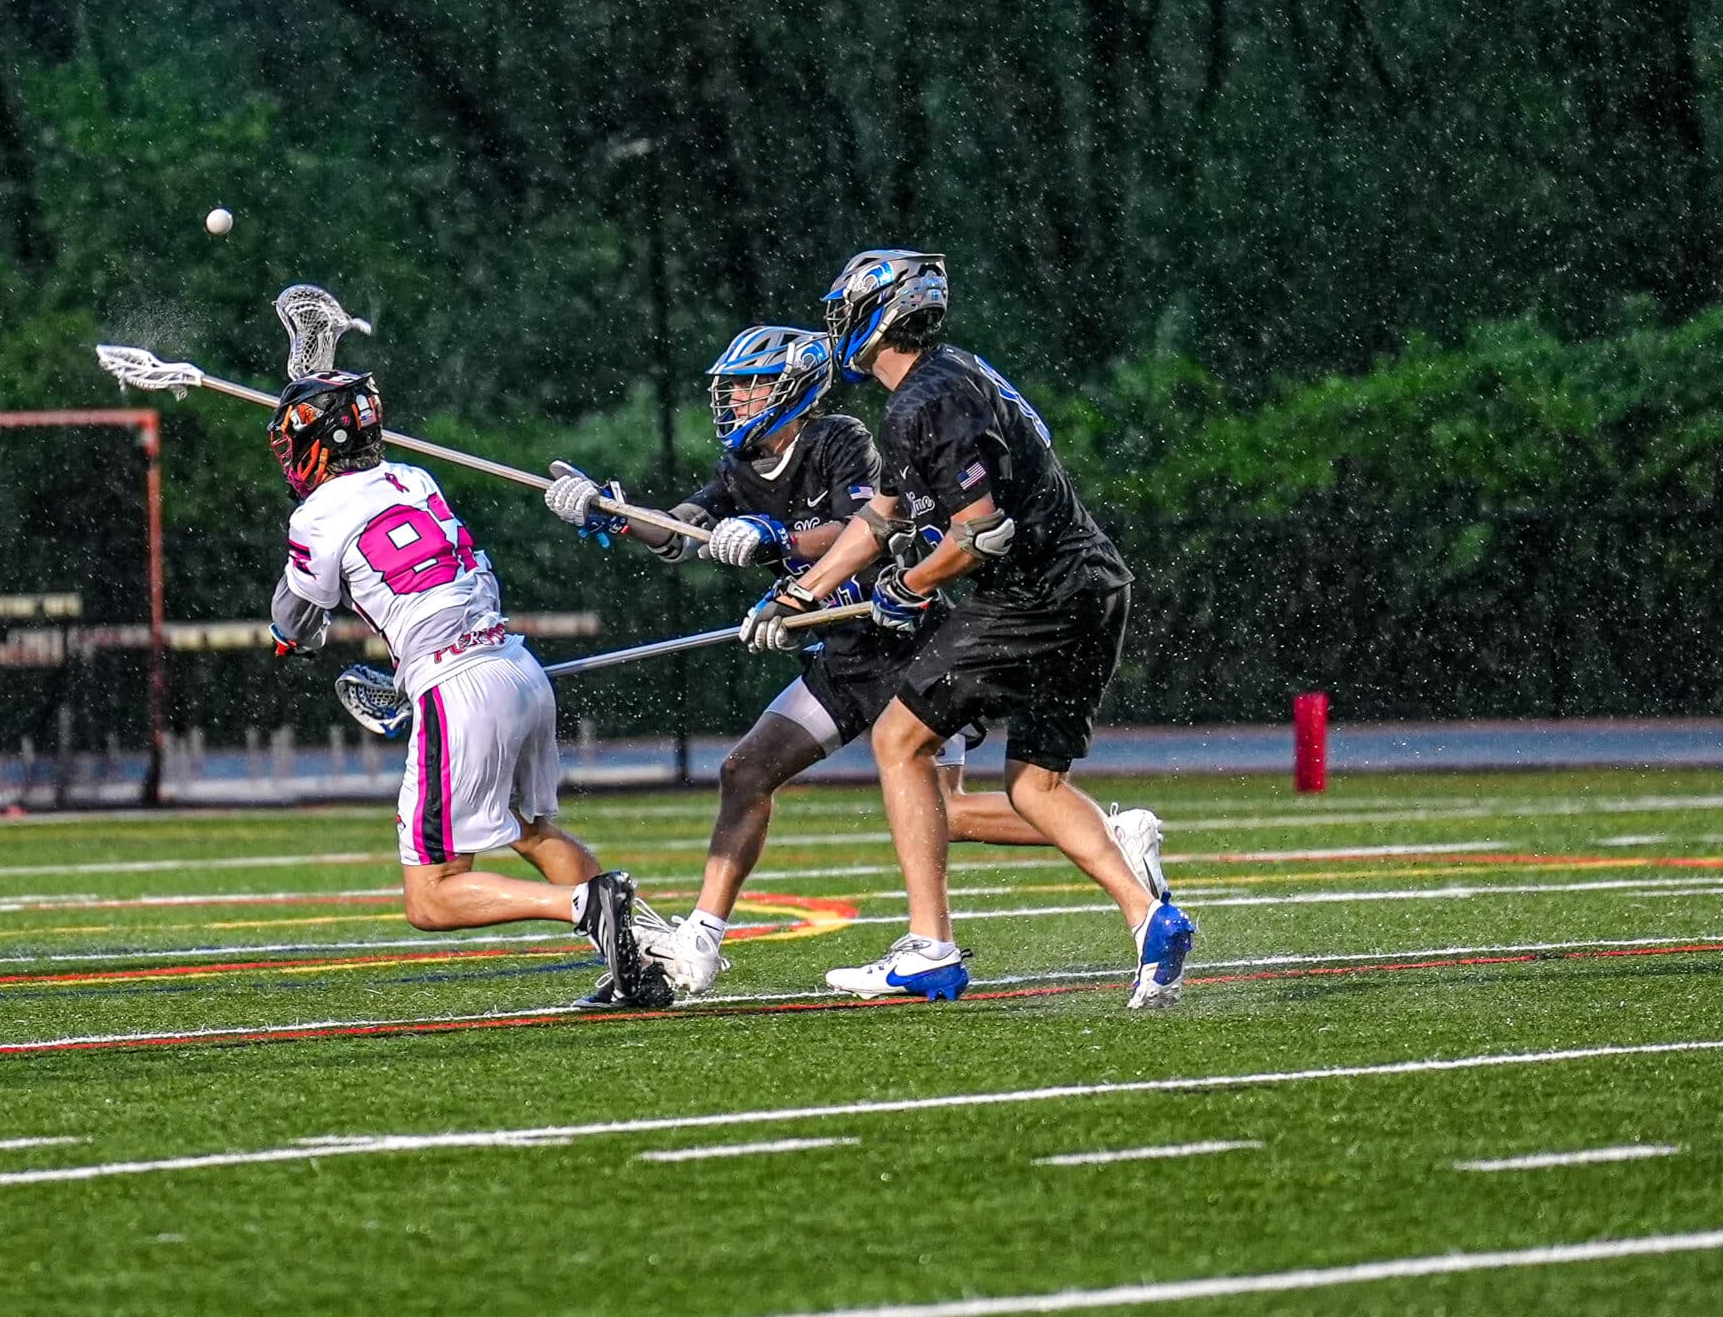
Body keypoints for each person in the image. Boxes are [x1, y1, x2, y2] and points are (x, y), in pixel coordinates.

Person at [545, 326, 1163, 997]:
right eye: (735, 389)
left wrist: (777, 540)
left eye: (751, 387)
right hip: (842, 659)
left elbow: (863, 526)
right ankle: (701, 939)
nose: (738, 400)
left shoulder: (841, 440)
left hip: (906, 644)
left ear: (792, 390)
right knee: (746, 771)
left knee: (944, 812)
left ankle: (1101, 842)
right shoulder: (740, 467)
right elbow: (679, 533)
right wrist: (609, 511)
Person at [741, 252, 1194, 1009]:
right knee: (1034, 786)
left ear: (880, 315)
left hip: (1035, 595)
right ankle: (1151, 918)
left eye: (845, 311)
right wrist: (798, 594)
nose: (837, 326)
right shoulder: (946, 376)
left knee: (898, 740)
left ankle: (931, 947)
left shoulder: (923, 400)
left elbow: (981, 533)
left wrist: (909, 587)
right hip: (1093, 586)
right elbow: (881, 515)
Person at [267, 369, 671, 1009]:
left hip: (458, 687)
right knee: (530, 831)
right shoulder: (413, 478)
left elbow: (294, 620)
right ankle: (645, 961)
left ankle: (585, 904)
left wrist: (292, 633)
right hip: (515, 666)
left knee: (431, 898)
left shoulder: (316, 514)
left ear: (320, 442)